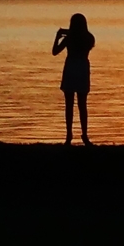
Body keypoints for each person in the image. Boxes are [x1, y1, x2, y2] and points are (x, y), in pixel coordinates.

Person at [52, 13, 95, 146]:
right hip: (82, 67)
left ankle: (69, 134)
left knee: (69, 104)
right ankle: (84, 135)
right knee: (82, 104)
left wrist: (58, 37)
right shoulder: (89, 37)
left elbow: (55, 51)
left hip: (71, 67)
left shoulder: (69, 38)